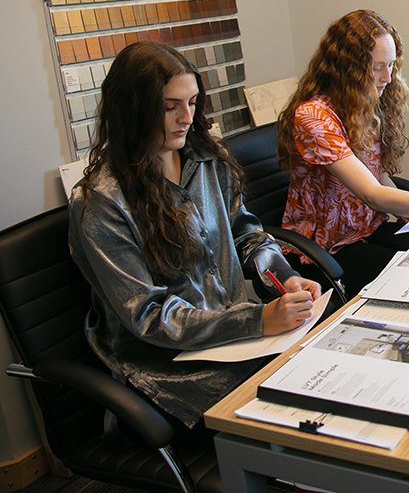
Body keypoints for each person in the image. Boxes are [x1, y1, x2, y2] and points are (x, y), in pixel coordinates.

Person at [69, 42, 322, 433]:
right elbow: (149, 317)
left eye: (192, 103)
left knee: (323, 383)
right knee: (294, 419)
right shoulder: (102, 202)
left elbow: (246, 232)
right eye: (170, 106)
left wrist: (283, 276)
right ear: (132, 108)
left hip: (239, 336)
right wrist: (257, 321)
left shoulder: (204, 159)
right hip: (171, 367)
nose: (186, 118)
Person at [277, 9, 409, 295]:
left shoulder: (362, 103)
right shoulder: (313, 117)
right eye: (377, 67)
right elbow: (371, 193)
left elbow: (377, 174)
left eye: (392, 65)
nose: (388, 77)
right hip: (326, 249)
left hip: (367, 231)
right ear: (348, 68)